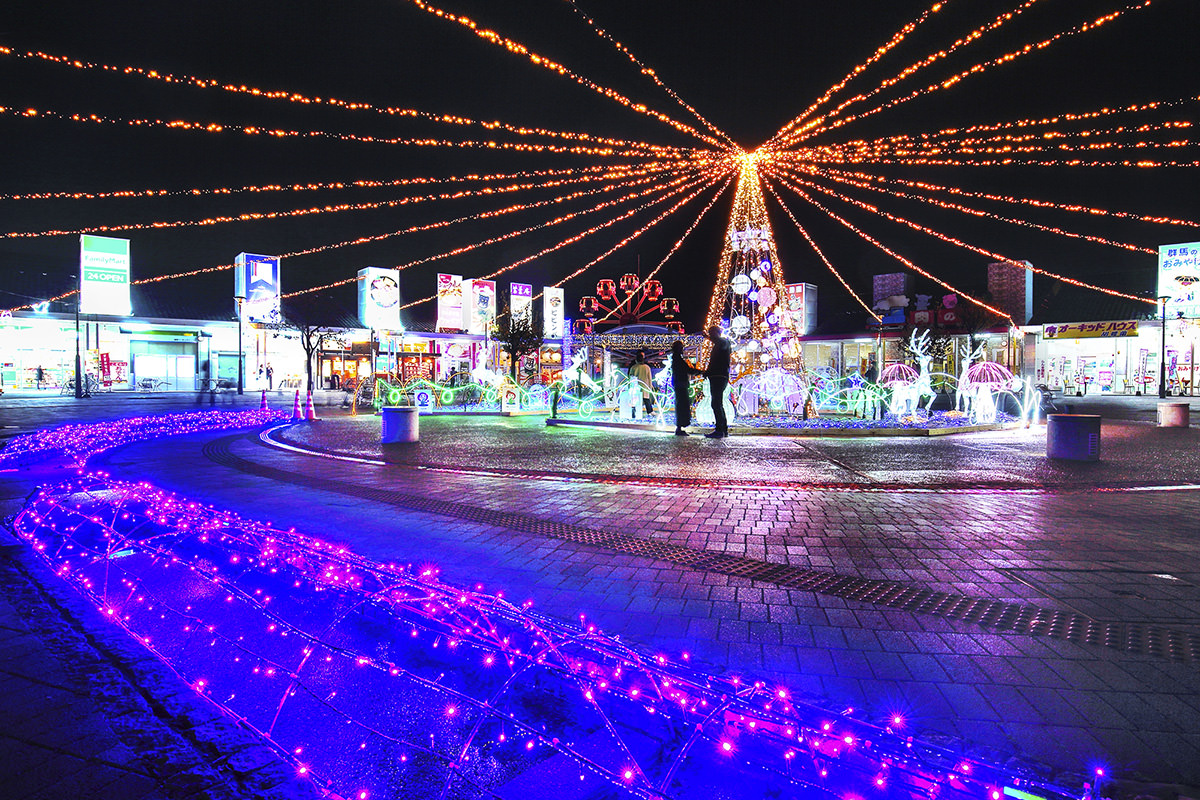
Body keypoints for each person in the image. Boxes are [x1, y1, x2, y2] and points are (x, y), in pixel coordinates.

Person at [703, 326, 731, 438]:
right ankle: (723, 429)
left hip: (719, 376)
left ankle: (720, 430)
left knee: (716, 403)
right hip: (716, 376)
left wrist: (709, 337)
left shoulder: (724, 342)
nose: (711, 335)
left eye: (711, 332)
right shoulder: (720, 344)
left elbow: (715, 362)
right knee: (718, 403)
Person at [670, 340, 701, 435]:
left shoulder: (676, 359)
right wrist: (700, 372)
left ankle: (680, 426)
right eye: (681, 348)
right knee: (682, 405)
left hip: (679, 384)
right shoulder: (678, 360)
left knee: (681, 405)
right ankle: (679, 427)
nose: (682, 350)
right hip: (681, 384)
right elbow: (687, 370)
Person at [629, 350, 654, 418]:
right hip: (645, 386)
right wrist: (650, 387)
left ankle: (634, 412)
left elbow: (631, 377)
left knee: (635, 400)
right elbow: (649, 378)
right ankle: (650, 411)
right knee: (646, 400)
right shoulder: (647, 367)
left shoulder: (633, 367)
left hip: (636, 386)